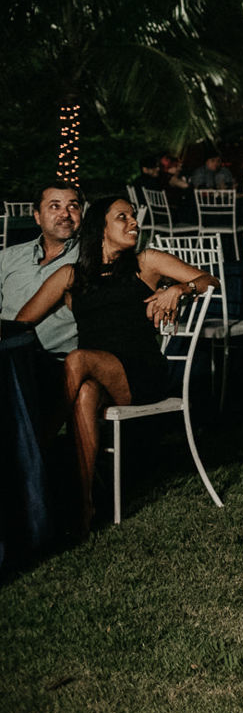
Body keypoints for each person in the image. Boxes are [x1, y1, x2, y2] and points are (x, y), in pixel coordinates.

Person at [14, 198, 215, 531]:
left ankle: (33, 454)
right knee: (85, 394)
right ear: (101, 228)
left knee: (77, 359)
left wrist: (180, 289)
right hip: (96, 375)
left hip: (142, 373)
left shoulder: (146, 263)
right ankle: (85, 506)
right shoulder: (70, 276)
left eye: (133, 217)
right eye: (122, 217)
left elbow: (210, 281)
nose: (133, 222)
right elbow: (22, 322)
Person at [1, 184, 84, 417]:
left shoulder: (90, 261)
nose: (65, 214)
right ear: (37, 216)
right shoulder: (9, 257)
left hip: (51, 364)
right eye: (54, 206)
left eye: (73, 207)